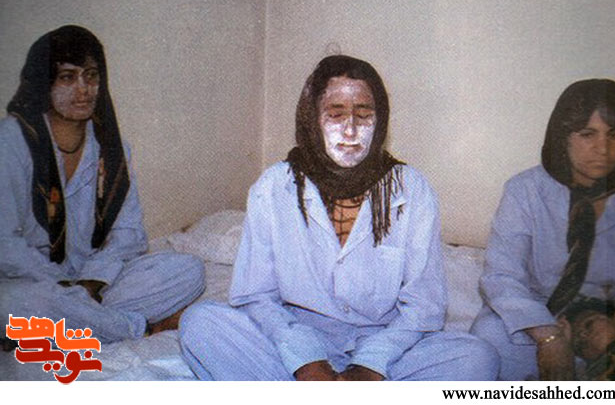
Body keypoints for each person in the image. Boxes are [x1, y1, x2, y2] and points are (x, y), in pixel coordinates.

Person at [179, 55, 498, 381]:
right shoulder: (275, 187)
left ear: (380, 122)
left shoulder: (411, 189)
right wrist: (306, 360)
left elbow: (424, 306)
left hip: (383, 343)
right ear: (312, 119)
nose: (351, 130)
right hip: (296, 336)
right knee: (202, 324)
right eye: (336, 115)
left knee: (476, 357)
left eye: (364, 115)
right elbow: (256, 295)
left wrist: (371, 364)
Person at [0, 25, 205, 345]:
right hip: (32, 283)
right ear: (44, 82)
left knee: (187, 270)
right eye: (68, 77)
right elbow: (6, 244)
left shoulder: (112, 149)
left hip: (91, 284)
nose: (83, 90)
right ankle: (137, 328)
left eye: (91, 76)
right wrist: (63, 289)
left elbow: (129, 235)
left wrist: (92, 282)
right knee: (13, 303)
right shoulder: (11, 141)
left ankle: (70, 326)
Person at [471, 79, 615, 380]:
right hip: (539, 313)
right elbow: (501, 276)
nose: (603, 148)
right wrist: (549, 337)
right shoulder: (526, 190)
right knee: (488, 338)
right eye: (587, 134)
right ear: (563, 136)